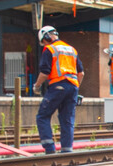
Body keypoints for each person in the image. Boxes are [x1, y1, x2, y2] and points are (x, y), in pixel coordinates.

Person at [34, 25, 81, 154]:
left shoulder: (49, 49)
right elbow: (81, 73)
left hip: (57, 86)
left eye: (43, 41)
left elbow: (44, 73)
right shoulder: (72, 50)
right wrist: (76, 88)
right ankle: (66, 151)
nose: (43, 44)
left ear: (47, 37)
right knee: (67, 120)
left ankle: (49, 149)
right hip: (73, 86)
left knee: (42, 116)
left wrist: (37, 86)